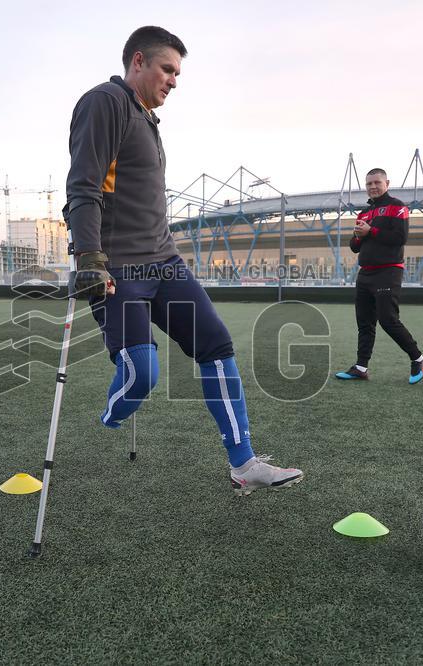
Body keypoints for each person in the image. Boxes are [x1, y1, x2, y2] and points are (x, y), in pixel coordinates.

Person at [64, 25, 303, 495]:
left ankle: (244, 462)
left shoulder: (147, 118)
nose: (174, 80)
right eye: (167, 69)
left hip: (165, 262)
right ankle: (113, 414)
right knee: (142, 373)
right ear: (138, 62)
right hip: (120, 267)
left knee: (216, 345)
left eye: (177, 72)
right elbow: (83, 188)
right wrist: (89, 257)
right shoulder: (104, 102)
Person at [335, 168, 423, 384]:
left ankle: (419, 358)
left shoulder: (397, 207)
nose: (373, 187)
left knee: (388, 320)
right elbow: (354, 247)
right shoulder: (363, 214)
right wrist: (358, 237)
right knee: (365, 323)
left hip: (388, 271)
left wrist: (371, 232)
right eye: (369, 184)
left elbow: (400, 237)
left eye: (377, 182)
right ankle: (360, 367)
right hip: (365, 273)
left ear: (387, 183)